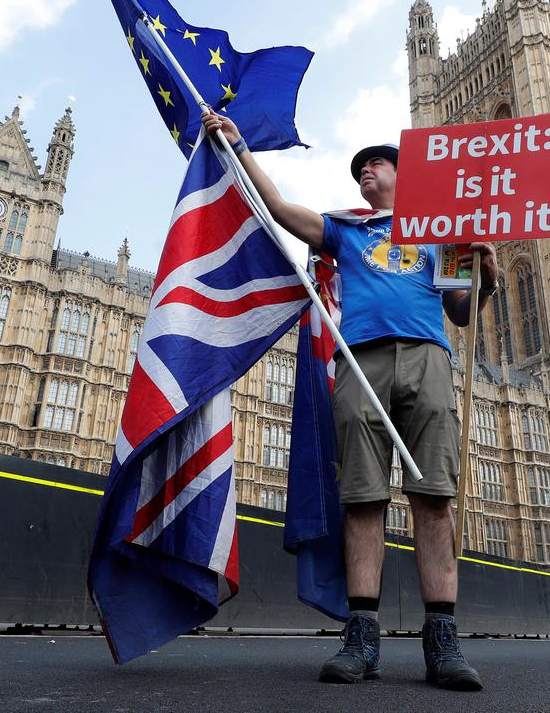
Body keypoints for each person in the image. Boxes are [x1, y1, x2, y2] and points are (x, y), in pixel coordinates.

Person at [204, 111, 494, 691]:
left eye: (375, 164)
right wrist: (239, 148)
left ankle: (443, 641)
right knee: (362, 498)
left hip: (428, 355)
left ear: (403, 175)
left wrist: (486, 270)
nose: (364, 172)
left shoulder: (445, 232)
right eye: (358, 168)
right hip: (359, 359)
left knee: (434, 498)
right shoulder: (348, 229)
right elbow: (285, 213)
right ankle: (361, 635)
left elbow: (462, 312)